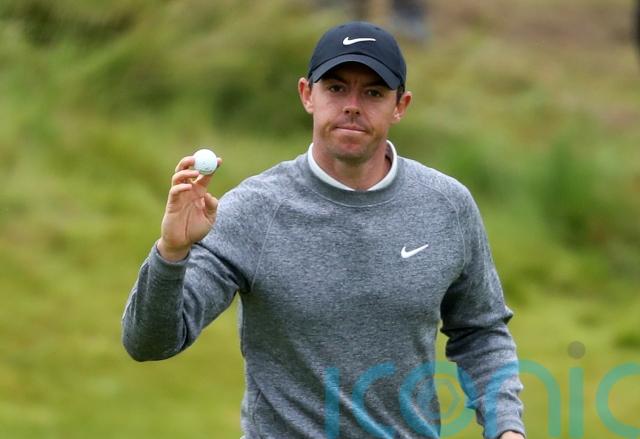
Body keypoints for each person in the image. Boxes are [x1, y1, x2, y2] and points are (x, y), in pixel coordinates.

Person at [122, 21, 525, 439]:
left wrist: (507, 428)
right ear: (307, 95)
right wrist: (171, 253)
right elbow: (148, 342)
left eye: (373, 93)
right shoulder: (254, 209)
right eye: (336, 88)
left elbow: (481, 331)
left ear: (400, 105)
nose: (352, 106)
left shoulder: (446, 205)